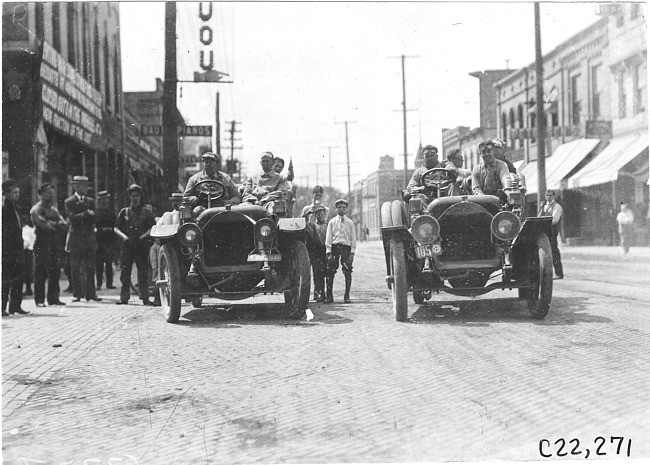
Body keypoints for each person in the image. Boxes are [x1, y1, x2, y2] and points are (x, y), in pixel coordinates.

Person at [114, 184, 156, 306]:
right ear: (129, 197)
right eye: (133, 196)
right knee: (125, 272)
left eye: (137, 196)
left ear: (140, 197)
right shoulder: (124, 212)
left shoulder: (146, 212)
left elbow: (152, 228)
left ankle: (145, 297)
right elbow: (116, 228)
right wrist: (124, 237)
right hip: (127, 245)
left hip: (141, 245)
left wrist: (142, 237)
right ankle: (124, 297)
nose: (135, 198)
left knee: (142, 272)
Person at [30, 183, 68, 307]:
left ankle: (53, 298)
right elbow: (42, 224)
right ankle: (39, 299)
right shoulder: (36, 209)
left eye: (52, 192)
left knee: (55, 270)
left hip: (54, 243)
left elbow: (64, 224)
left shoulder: (53, 209)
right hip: (42, 243)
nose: (50, 194)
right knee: (41, 271)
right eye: (47, 192)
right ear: (41, 194)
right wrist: (55, 224)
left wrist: (53, 224)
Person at [65, 175, 101, 302]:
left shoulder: (90, 201)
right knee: (75, 267)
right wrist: (86, 214)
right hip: (76, 239)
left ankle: (91, 294)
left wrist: (83, 216)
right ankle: (77, 294)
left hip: (88, 238)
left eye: (86, 186)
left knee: (90, 267)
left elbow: (95, 217)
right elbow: (71, 218)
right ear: (75, 186)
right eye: (82, 186)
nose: (85, 188)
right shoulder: (69, 202)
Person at [183, 152, 241, 216]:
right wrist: (198, 198)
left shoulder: (226, 178)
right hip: (203, 208)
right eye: (206, 162)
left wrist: (229, 202)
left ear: (217, 164)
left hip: (223, 207)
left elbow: (237, 196)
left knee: (235, 211)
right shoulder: (194, 179)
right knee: (197, 211)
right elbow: (186, 198)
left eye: (211, 162)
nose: (208, 164)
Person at [2, 179, 29, 316]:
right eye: (14, 192)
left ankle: (15, 306)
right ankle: (2, 307)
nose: (17, 195)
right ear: (6, 193)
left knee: (19, 278)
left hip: (18, 248)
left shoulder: (17, 208)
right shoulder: (3, 209)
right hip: (6, 249)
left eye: (18, 192)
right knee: (5, 279)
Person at [325, 199, 357, 304]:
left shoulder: (350, 223)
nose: (341, 209)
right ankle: (329, 296)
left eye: (343, 207)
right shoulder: (332, 222)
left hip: (346, 249)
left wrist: (352, 253)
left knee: (347, 271)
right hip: (334, 248)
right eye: (339, 207)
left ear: (346, 209)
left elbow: (353, 238)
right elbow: (329, 237)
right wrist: (329, 252)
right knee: (330, 271)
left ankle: (347, 296)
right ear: (336, 209)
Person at [539, 189, 564, 279]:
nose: (548, 197)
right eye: (547, 195)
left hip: (552, 231)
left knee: (553, 251)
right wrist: (541, 208)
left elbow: (555, 220)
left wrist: (544, 222)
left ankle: (559, 273)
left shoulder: (557, 207)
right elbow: (539, 217)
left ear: (553, 196)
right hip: (546, 230)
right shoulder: (545, 206)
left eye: (550, 195)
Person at [305, 205, 328, 302]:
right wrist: (307, 214)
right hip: (316, 252)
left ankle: (327, 293)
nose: (321, 216)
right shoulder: (312, 225)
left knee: (327, 273)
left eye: (322, 214)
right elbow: (304, 223)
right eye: (318, 214)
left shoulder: (328, 225)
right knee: (317, 273)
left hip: (326, 251)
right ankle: (318, 293)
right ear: (315, 215)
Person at [95, 191, 116, 290]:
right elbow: (94, 227)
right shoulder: (96, 213)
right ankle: (99, 283)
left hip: (109, 242)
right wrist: (101, 230)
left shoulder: (111, 213)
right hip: (98, 242)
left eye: (105, 200)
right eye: (102, 200)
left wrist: (110, 230)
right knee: (98, 264)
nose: (104, 202)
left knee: (109, 263)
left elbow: (115, 226)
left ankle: (109, 283)